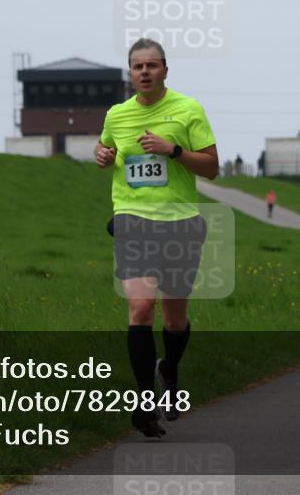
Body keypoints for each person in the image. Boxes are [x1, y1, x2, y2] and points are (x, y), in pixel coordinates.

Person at [95, 38, 218, 437]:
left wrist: (173, 150)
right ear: (130, 73)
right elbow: (106, 148)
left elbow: (212, 168)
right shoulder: (117, 115)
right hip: (132, 220)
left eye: (152, 65)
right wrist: (102, 155)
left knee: (175, 318)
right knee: (142, 307)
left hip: (180, 223)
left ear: (165, 69)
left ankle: (169, 368)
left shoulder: (188, 109)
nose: (144, 72)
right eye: (137, 66)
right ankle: (145, 402)